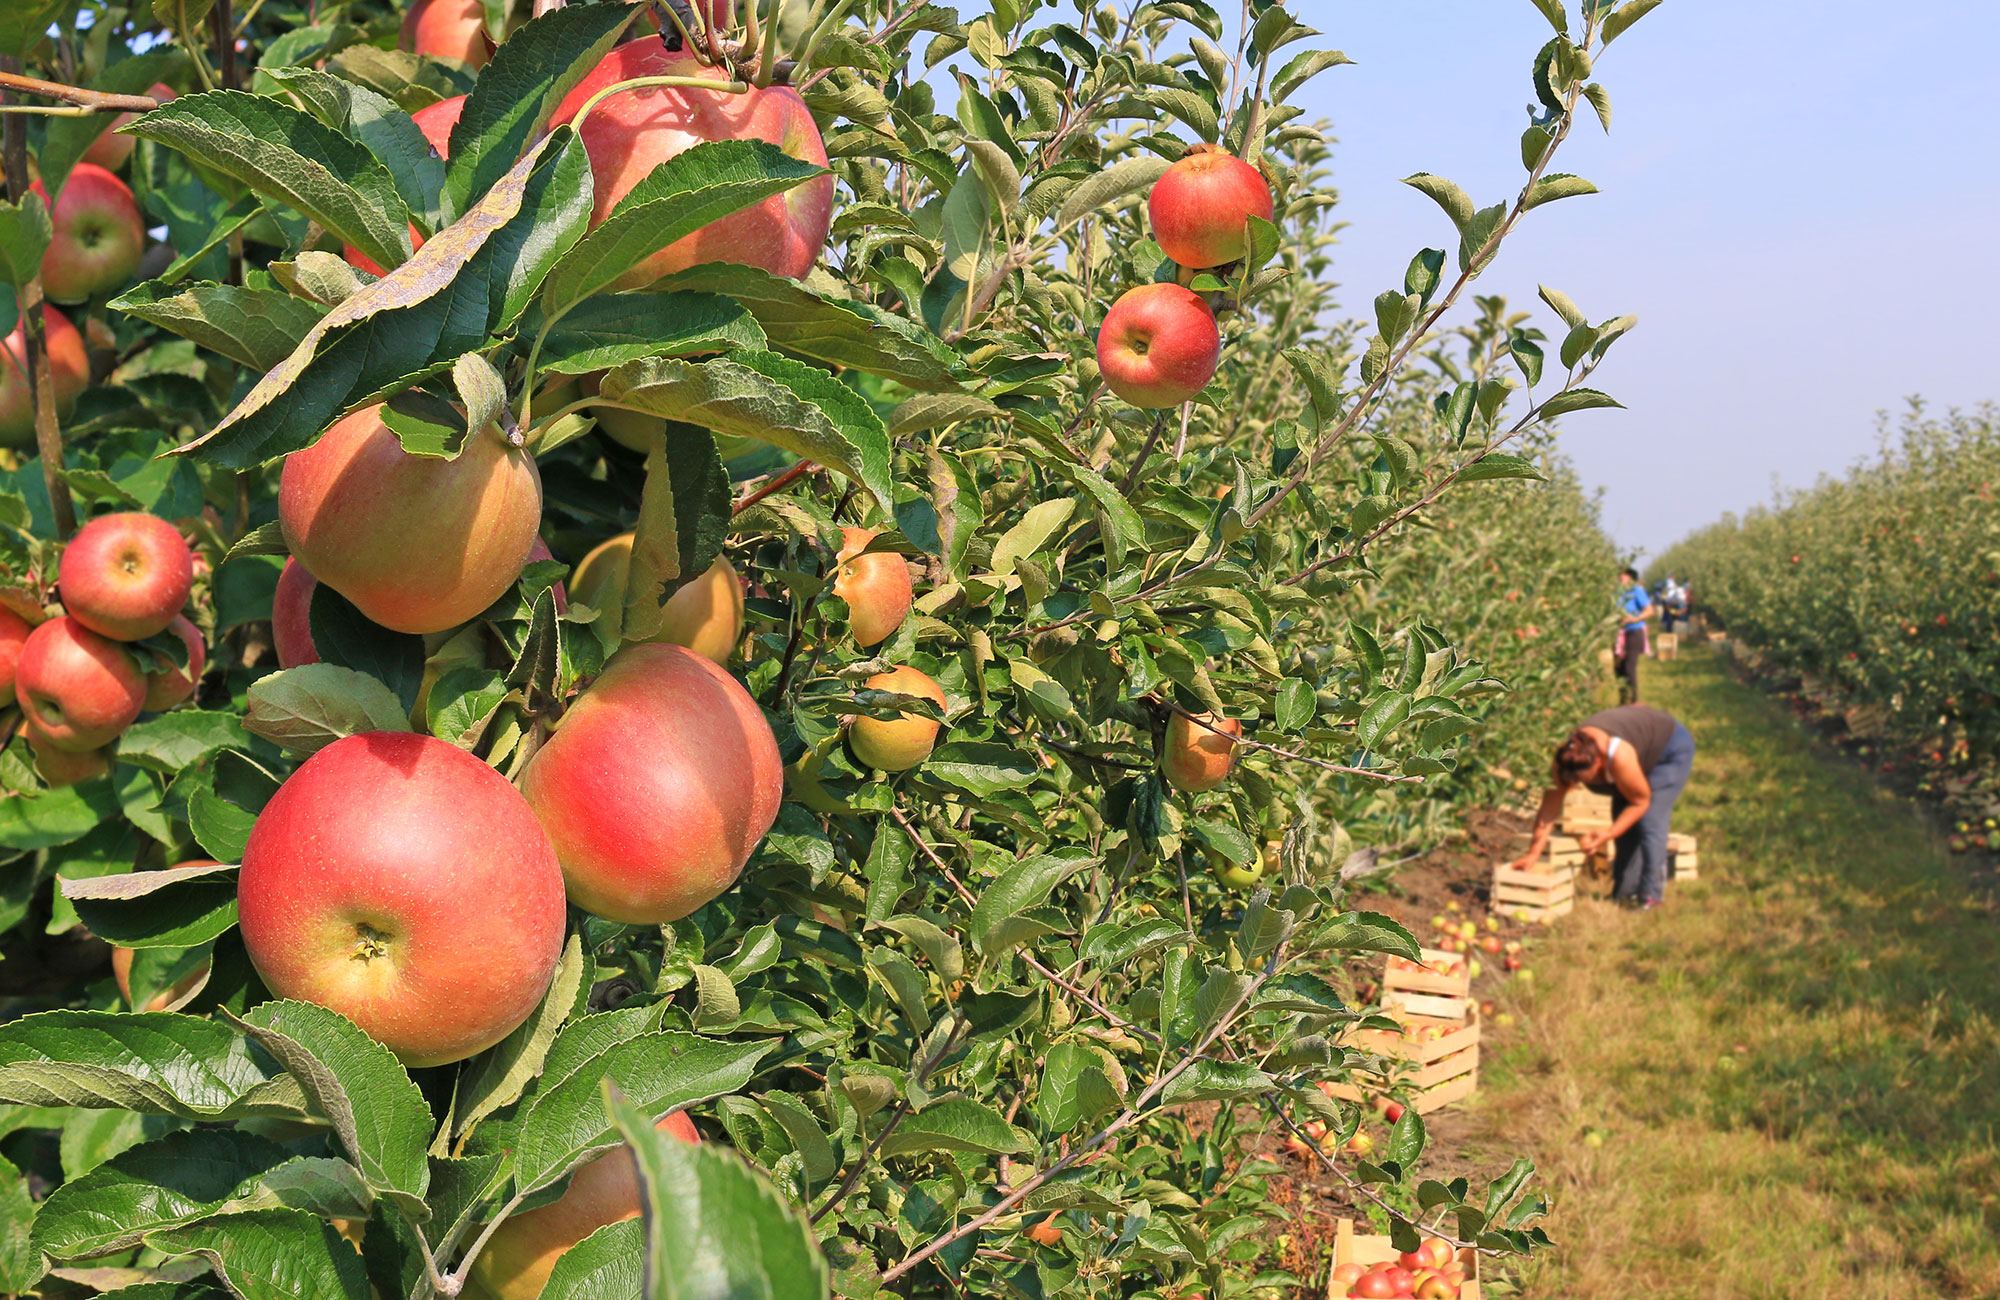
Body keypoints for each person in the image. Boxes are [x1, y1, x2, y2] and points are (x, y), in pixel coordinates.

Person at [1510, 704, 1696, 909]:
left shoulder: (1619, 756)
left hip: (1669, 749)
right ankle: (1624, 894)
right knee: (1623, 820)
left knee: (1650, 820)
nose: (1580, 785)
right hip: (1637, 748)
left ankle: (1651, 895)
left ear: (1599, 761)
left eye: (1586, 780)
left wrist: (1608, 834)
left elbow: (1640, 802)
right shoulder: (1565, 761)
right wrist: (1533, 854)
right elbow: (1548, 811)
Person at [1613, 568, 1651, 702]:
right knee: (1618, 667)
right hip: (1618, 633)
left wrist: (1635, 619)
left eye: (1624, 574)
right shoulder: (1616, 592)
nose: (1621, 576)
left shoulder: (1637, 591)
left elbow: (1649, 610)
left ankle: (1633, 699)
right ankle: (1623, 699)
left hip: (1634, 631)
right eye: (1620, 574)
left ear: (1630, 577)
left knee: (1629, 667)